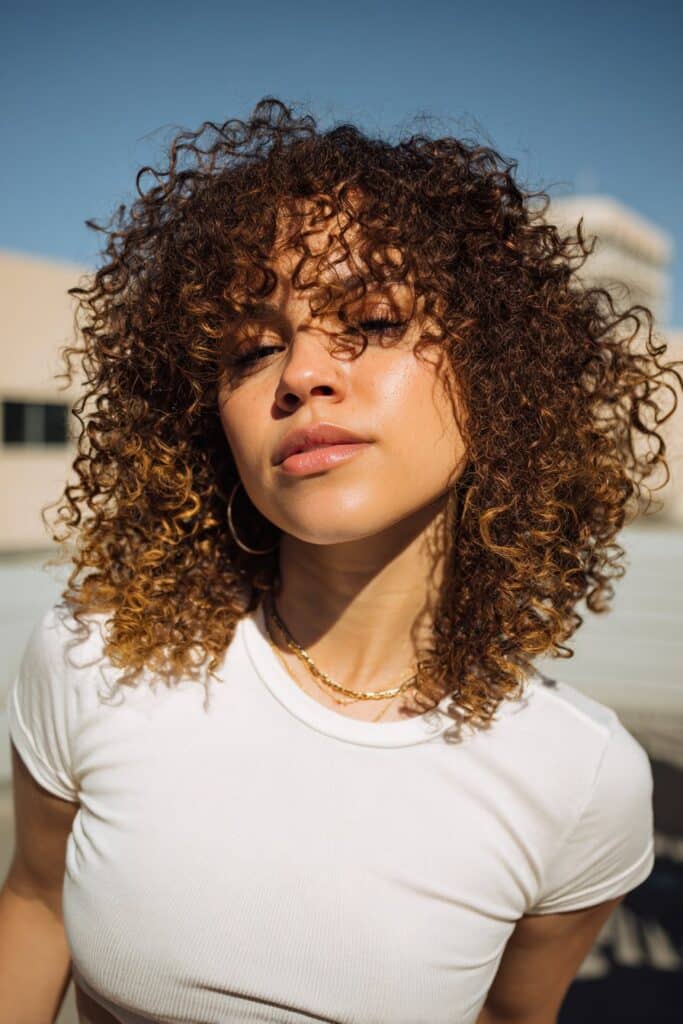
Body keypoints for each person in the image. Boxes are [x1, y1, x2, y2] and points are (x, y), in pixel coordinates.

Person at [1, 97, 679, 1024]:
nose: (301, 374)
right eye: (252, 348)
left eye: (373, 320)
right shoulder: (95, 658)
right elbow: (34, 907)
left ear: (501, 378)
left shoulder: (580, 776)